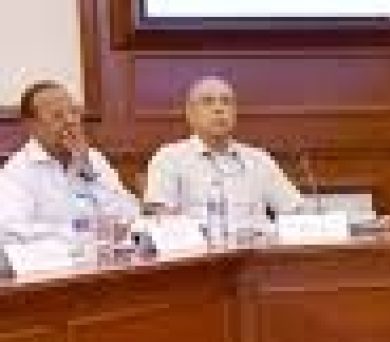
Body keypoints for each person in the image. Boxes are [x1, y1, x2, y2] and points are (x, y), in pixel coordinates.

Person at [143, 77, 304, 222]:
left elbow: (295, 210)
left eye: (226, 102)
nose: (219, 109)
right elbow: (162, 219)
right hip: (197, 245)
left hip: (255, 245)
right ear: (190, 113)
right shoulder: (169, 159)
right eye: (208, 101)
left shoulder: (259, 159)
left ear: (235, 113)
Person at [0, 81, 139, 242]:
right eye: (58, 116)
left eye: (74, 112)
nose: (70, 121)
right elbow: (11, 231)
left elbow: (131, 213)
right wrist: (82, 231)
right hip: (52, 257)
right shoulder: (17, 172)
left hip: (105, 254)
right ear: (32, 126)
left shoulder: (93, 159)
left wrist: (89, 173)